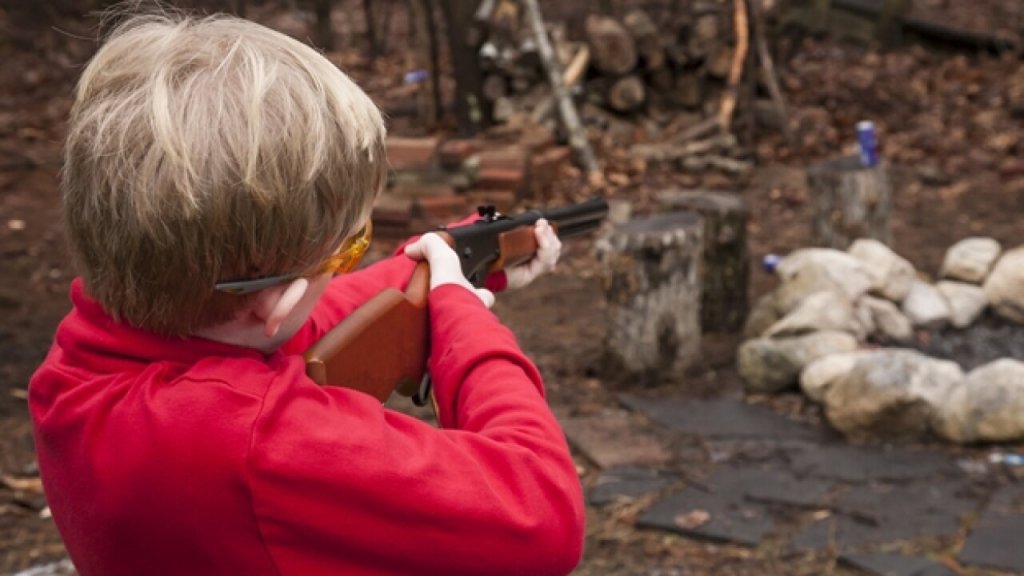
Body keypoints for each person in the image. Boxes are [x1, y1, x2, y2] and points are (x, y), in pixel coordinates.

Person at [28, 9, 585, 576]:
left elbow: (296, 323)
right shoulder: (253, 443)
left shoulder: (84, 362)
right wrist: (467, 326)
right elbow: (541, 514)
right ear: (275, 301)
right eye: (351, 249)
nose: (353, 263)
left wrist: (456, 262)